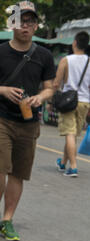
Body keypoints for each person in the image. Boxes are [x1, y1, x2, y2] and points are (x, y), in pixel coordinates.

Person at [0, 1, 55, 241]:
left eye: (30, 22)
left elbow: (50, 88)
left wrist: (40, 97)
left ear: (36, 26)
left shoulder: (44, 55)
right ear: (12, 24)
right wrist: (3, 91)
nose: (26, 26)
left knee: (19, 173)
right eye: (21, 21)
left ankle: (7, 220)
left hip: (29, 122)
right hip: (1, 118)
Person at [53, 31, 90, 177]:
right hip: (85, 102)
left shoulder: (66, 60)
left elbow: (56, 83)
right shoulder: (89, 61)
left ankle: (73, 167)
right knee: (73, 135)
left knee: (69, 133)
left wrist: (52, 99)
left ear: (74, 42)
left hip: (69, 102)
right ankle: (63, 163)